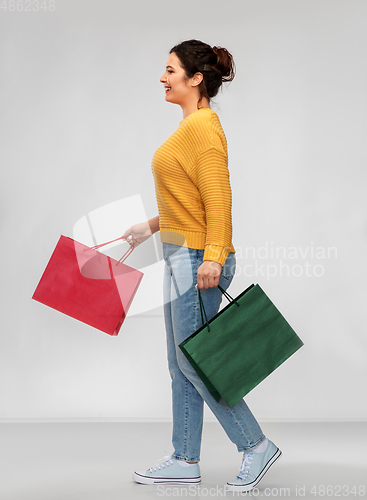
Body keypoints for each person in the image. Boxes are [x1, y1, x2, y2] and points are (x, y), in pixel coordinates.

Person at [122, 39, 281, 493]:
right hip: (178, 253)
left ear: (195, 79)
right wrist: (151, 226)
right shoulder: (189, 128)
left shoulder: (204, 126)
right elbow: (188, 198)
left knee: (198, 362)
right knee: (181, 364)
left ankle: (255, 445)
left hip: (196, 260)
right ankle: (184, 459)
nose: (162, 77)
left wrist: (213, 256)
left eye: (170, 70)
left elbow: (218, 199)